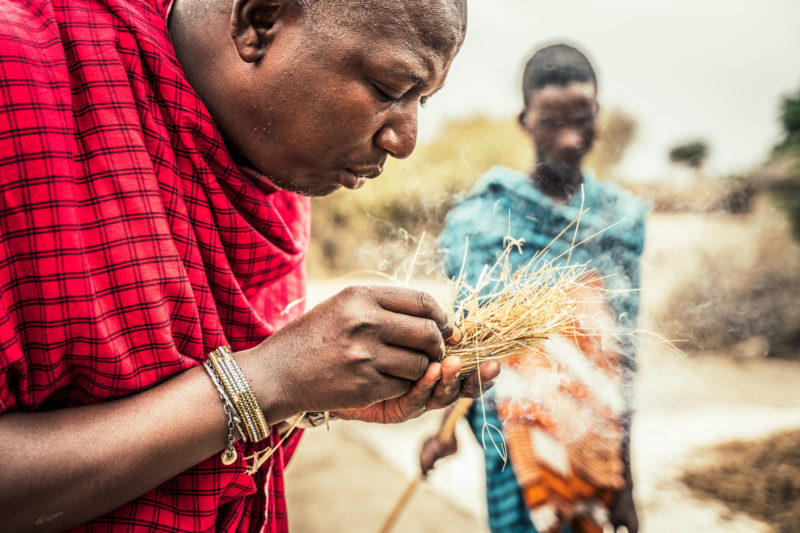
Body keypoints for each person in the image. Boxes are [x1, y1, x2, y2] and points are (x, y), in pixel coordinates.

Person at [0, 0, 501, 531]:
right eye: (387, 90)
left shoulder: (277, 169)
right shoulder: (21, 76)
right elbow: (258, 377)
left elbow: (229, 401)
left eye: (423, 100)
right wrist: (267, 381)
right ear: (259, 22)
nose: (405, 141)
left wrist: (316, 397)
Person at [419, 44, 647, 533]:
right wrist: (444, 429)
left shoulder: (619, 221)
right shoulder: (483, 221)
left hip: (597, 443)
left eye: (581, 116)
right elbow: (470, 343)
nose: (569, 137)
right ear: (525, 120)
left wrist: (626, 483)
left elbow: (624, 357)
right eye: (551, 120)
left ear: (599, 115)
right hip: (512, 441)